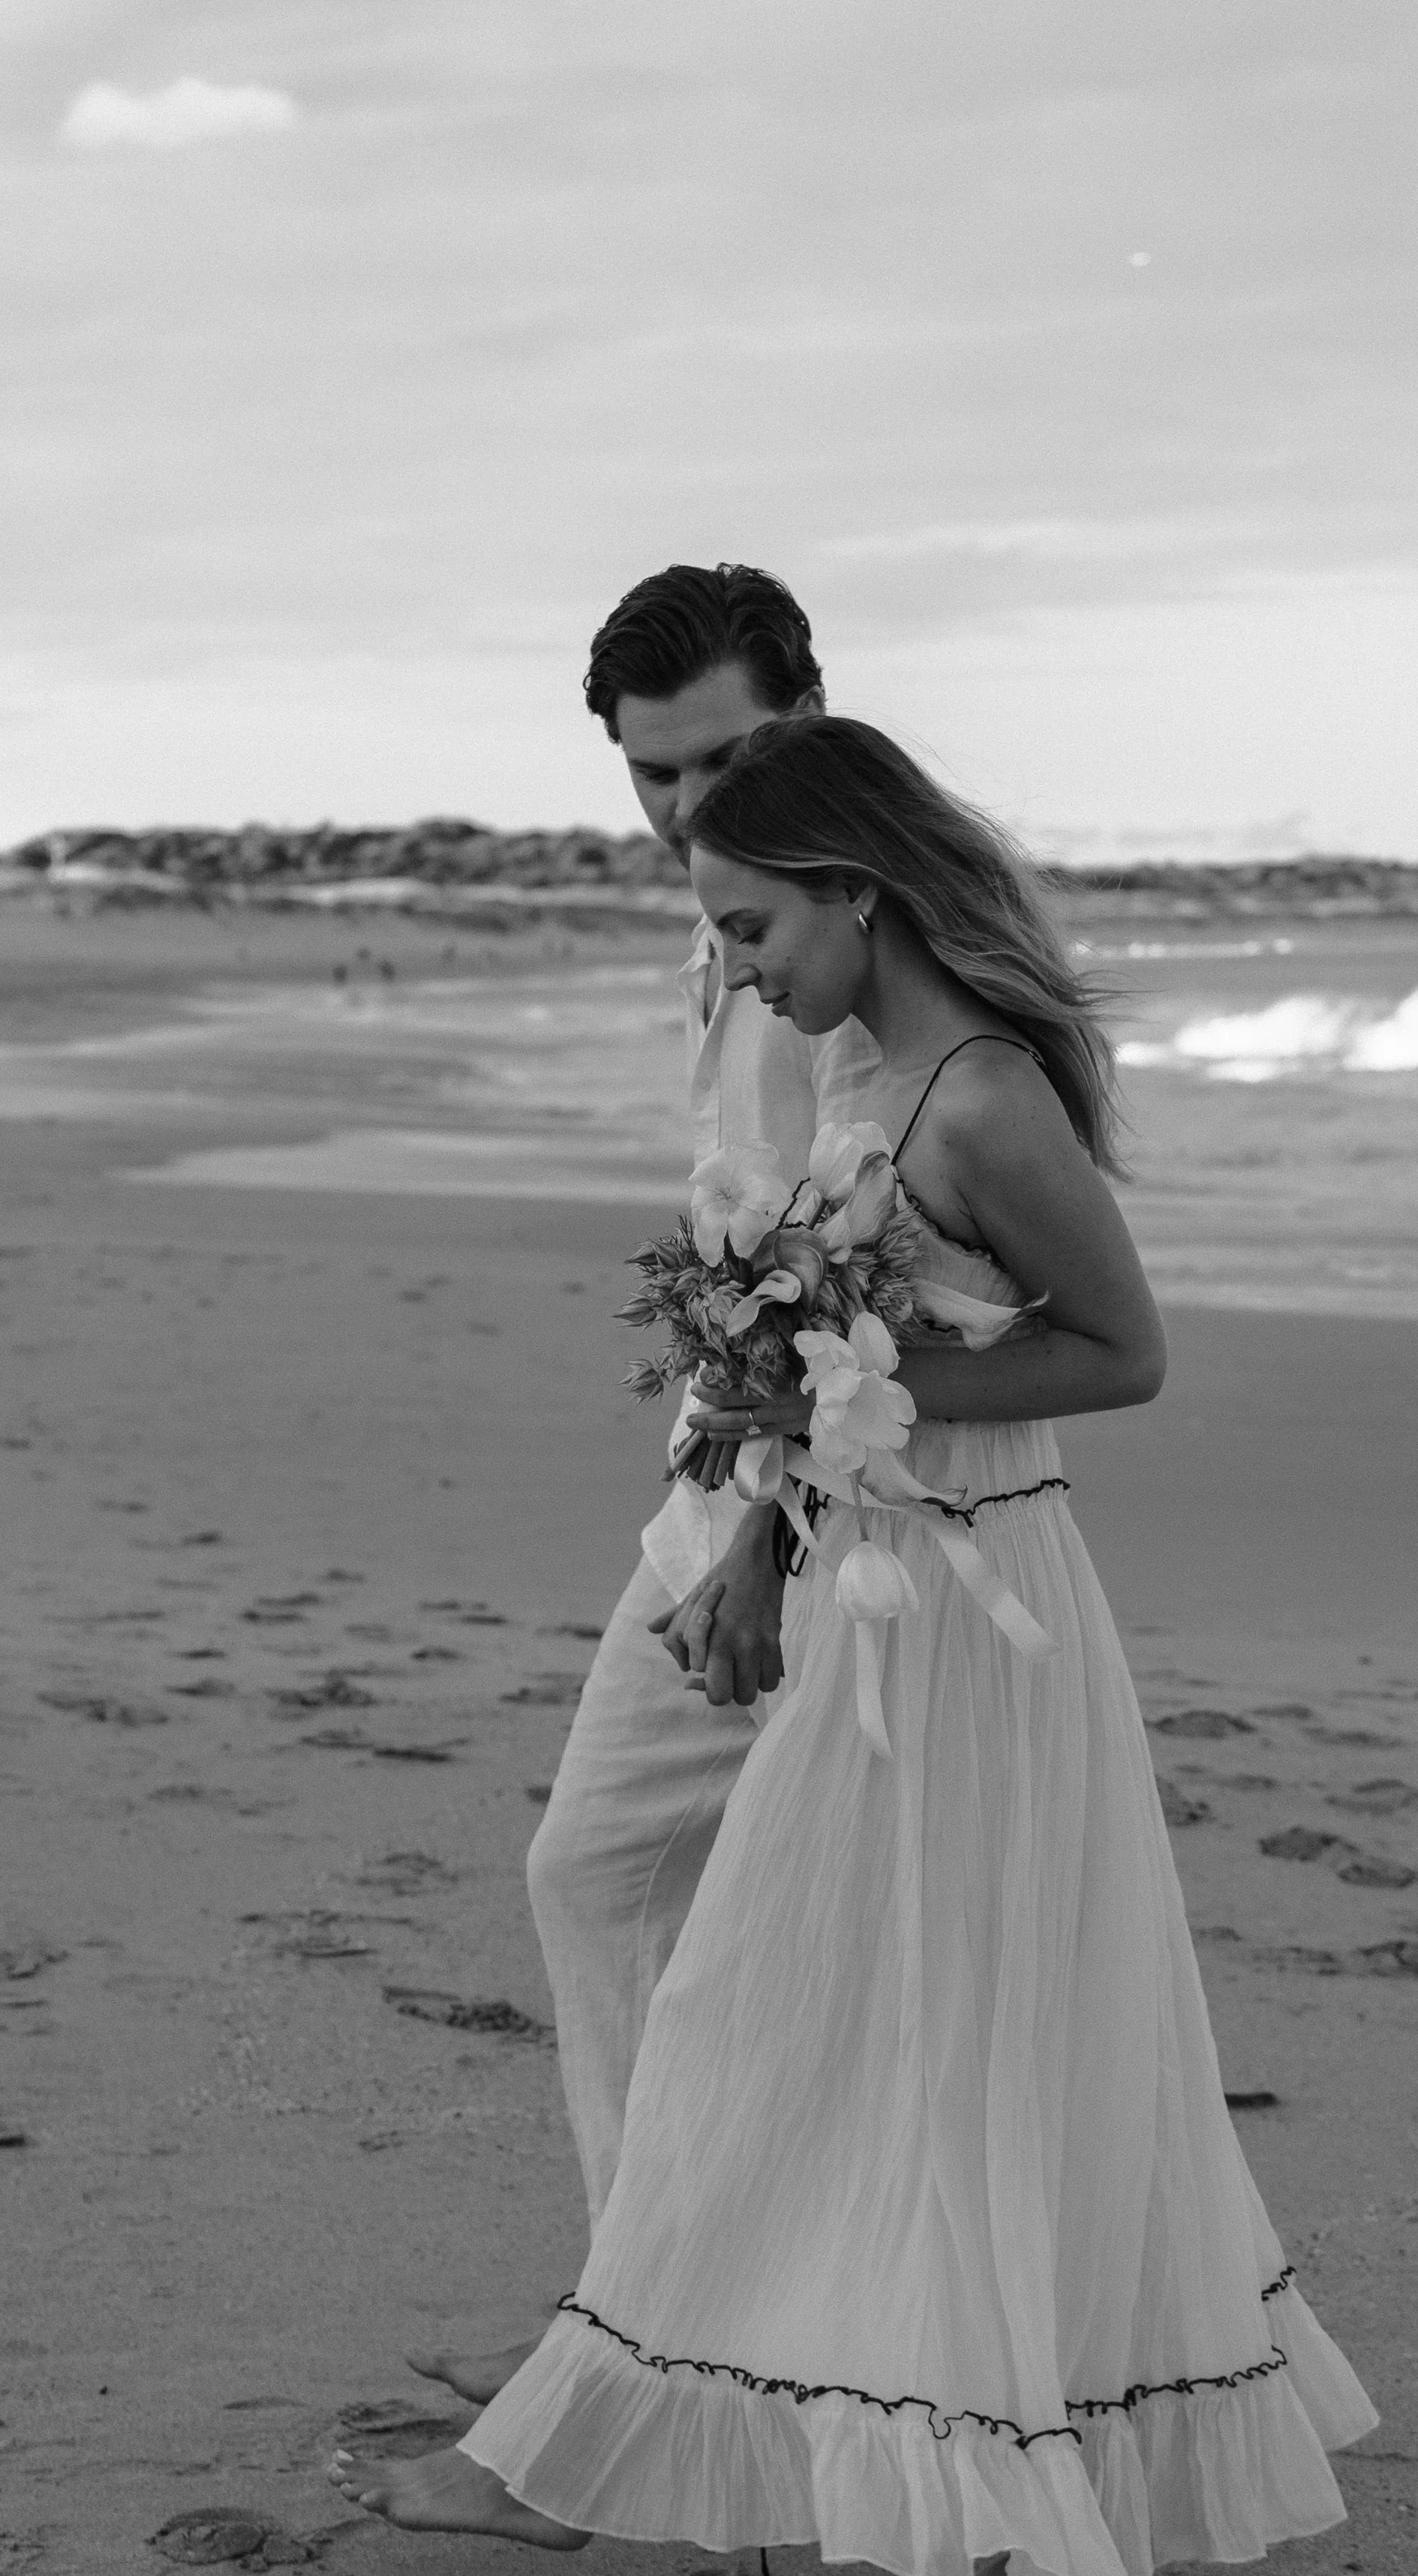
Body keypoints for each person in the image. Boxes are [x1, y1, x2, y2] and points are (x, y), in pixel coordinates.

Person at [335, 716, 1377, 2576]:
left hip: (984, 1619)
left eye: (749, 924)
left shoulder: (979, 1097)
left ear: (853, 892)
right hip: (865, 1586)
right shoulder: (847, 1062)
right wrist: (770, 1506)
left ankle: (991, 2484)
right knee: (828, 2020)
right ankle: (836, 2430)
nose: (733, 968)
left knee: (953, 2027)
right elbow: (836, 1375)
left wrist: (855, 1384)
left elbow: (1123, 1354)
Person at [410, 566, 879, 2409]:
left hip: (838, 1513)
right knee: (610, 1879)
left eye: (728, 758)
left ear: (809, 714)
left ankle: (677, 2373)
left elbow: (895, 1275)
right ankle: (671, 2352)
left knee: (776, 1932)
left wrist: (766, 1533)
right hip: (722, 1474)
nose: (690, 811)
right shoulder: (731, 919)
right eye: (654, 779)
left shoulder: (857, 940)